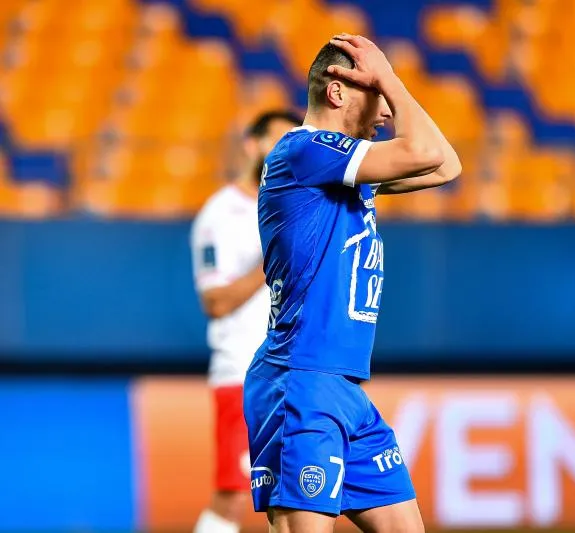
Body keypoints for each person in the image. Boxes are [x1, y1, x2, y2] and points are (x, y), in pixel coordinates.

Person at [243, 34, 461, 533]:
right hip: (301, 378)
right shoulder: (304, 151)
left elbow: (446, 163)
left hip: (343, 386)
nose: (385, 110)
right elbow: (424, 150)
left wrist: (388, 79)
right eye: (376, 94)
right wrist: (389, 77)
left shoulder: (343, 169)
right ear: (337, 91)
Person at [190, 110, 303, 533]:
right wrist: (272, 259)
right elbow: (215, 301)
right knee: (234, 494)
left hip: (293, 371)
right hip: (243, 372)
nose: (284, 151)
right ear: (251, 144)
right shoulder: (221, 214)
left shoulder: (293, 205)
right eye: (276, 140)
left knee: (295, 494)